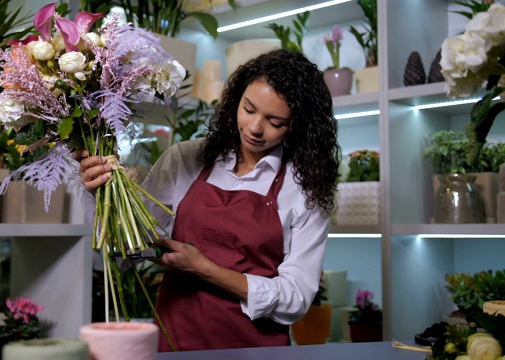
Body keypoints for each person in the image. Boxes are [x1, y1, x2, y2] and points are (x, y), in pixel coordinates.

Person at [78, 48, 341, 351]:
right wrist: (101, 194)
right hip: (175, 345)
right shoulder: (185, 159)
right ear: (235, 100)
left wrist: (205, 269)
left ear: (297, 124)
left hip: (256, 350)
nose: (255, 128)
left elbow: (294, 299)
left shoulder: (304, 187)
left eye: (274, 121)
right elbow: (125, 253)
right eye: (249, 108)